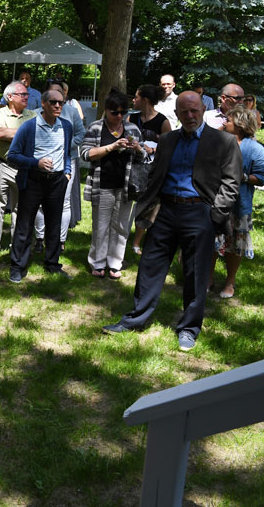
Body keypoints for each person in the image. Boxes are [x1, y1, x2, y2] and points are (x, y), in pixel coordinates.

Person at [103, 92, 241, 352]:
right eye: (184, 112)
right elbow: (156, 174)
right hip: (166, 212)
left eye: (194, 111)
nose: (190, 116)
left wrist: (215, 214)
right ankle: (136, 319)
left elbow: (231, 182)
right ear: (176, 114)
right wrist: (149, 206)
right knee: (150, 267)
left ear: (202, 110)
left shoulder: (223, 141)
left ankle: (188, 328)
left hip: (200, 213)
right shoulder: (168, 140)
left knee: (195, 273)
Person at [7, 89, 74, 283]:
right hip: (33, 180)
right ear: (43, 104)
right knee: (24, 225)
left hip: (57, 181)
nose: (58, 106)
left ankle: (52, 264)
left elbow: (68, 152)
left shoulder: (66, 127)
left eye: (61, 102)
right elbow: (13, 155)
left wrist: (67, 171)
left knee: (54, 224)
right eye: (53, 102)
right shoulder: (29, 127)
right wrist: (36, 163)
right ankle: (18, 266)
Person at [81, 92, 144, 279]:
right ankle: (98, 262)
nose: (119, 116)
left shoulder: (132, 129)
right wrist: (112, 147)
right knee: (100, 226)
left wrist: (138, 149)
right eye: (115, 112)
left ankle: (115, 263)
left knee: (121, 227)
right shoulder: (95, 128)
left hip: (125, 186)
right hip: (102, 184)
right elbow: (86, 154)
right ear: (106, 111)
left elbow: (143, 159)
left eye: (123, 112)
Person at [211, 107, 264, 298]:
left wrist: (242, 177)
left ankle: (230, 282)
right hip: (214, 201)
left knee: (235, 246)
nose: (223, 123)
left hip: (239, 205)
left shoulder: (255, 149)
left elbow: (262, 177)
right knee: (211, 242)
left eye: (228, 120)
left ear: (240, 125)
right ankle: (207, 279)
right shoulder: (218, 142)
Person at [0, 81, 36, 261]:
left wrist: (12, 133)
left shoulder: (32, 115)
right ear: (10, 97)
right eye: (22, 94)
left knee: (20, 208)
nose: (26, 97)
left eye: (27, 94)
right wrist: (25, 133)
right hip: (2, 165)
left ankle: (18, 245)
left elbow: (36, 136)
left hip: (23, 167)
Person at [33, 79, 86, 250]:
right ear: (45, 98)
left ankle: (60, 240)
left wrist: (64, 146)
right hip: (41, 164)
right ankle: (40, 238)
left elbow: (81, 133)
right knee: (40, 202)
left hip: (66, 162)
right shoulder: (34, 114)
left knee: (64, 202)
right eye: (53, 97)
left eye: (60, 95)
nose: (57, 102)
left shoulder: (71, 112)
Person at [128, 83, 172, 254]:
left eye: (136, 97)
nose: (134, 100)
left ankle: (137, 242)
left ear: (145, 100)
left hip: (151, 170)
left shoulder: (163, 122)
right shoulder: (132, 118)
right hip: (132, 168)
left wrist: (152, 149)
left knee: (147, 206)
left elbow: (169, 147)